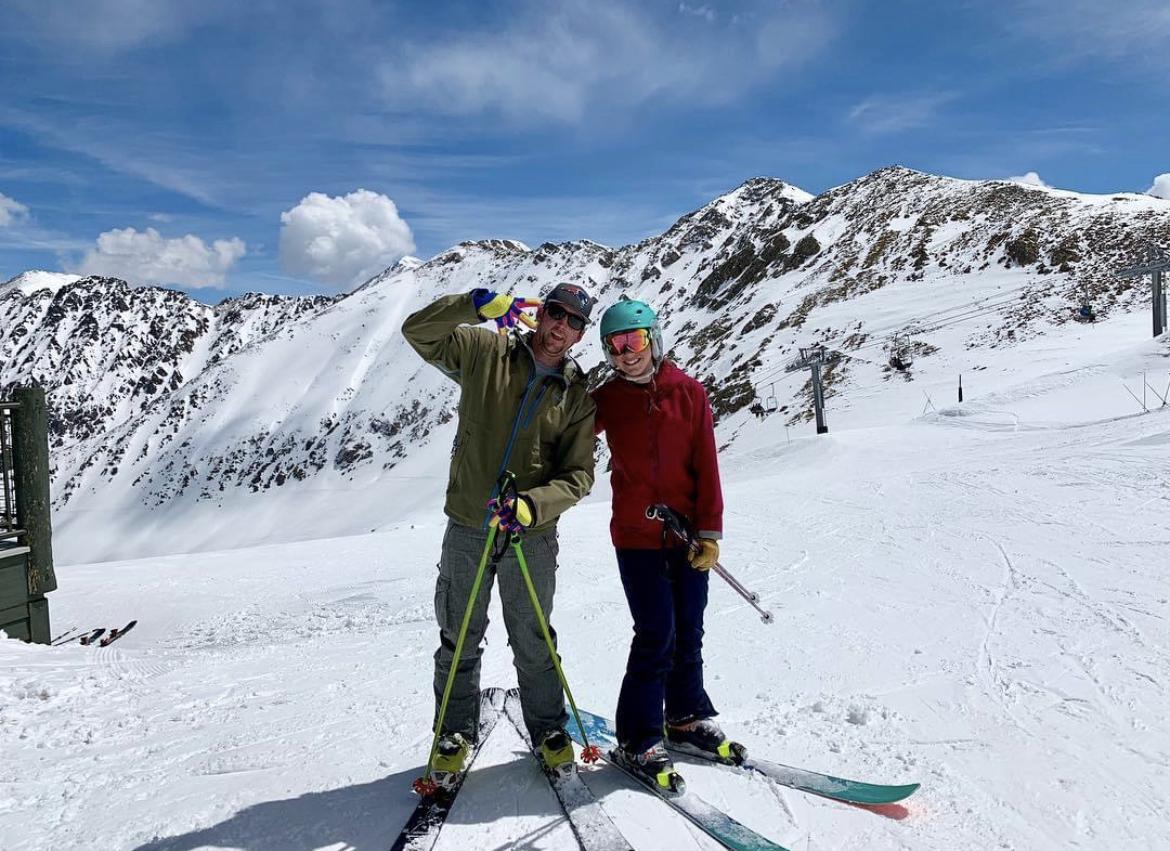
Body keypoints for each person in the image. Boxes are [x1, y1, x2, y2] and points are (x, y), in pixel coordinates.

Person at [401, 282, 597, 786]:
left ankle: (549, 731)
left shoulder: (576, 394)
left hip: (531, 532)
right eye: (556, 314)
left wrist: (533, 506)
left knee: (533, 638)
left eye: (574, 322)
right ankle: (452, 733)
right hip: (469, 521)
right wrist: (472, 305)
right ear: (541, 313)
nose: (561, 328)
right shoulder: (486, 350)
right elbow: (417, 332)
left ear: (580, 333)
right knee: (459, 635)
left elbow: (578, 476)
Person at [591, 297, 741, 793]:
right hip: (636, 539)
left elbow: (706, 467)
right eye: (615, 345)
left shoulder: (688, 393)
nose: (625, 353)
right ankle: (637, 737)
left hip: (686, 536)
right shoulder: (607, 399)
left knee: (689, 630)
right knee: (657, 633)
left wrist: (710, 534)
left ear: (653, 339)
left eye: (633, 341)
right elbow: (561, 434)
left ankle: (684, 716)